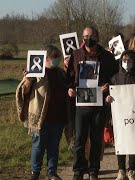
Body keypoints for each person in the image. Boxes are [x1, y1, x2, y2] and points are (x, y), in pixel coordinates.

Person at [67, 26, 118, 180]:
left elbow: (114, 77)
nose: (87, 38)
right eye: (84, 36)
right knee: (79, 139)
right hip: (81, 104)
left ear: (97, 37)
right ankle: (78, 170)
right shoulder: (76, 55)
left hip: (99, 104)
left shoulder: (107, 57)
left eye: (90, 35)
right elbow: (70, 76)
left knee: (96, 139)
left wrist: (108, 86)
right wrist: (70, 88)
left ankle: (94, 169)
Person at [16, 45, 67, 180]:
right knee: (38, 146)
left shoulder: (61, 73)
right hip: (40, 118)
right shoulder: (36, 72)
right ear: (45, 58)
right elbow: (24, 92)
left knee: (54, 147)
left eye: (58, 57)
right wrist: (27, 80)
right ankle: (35, 173)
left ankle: (52, 172)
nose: (56, 60)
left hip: (58, 116)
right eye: (53, 57)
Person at [106, 50, 135, 180]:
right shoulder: (115, 78)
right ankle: (121, 169)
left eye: (129, 60)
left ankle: (132, 170)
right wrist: (108, 99)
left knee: (133, 143)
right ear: (120, 61)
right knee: (121, 143)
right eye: (124, 60)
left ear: (134, 61)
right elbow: (110, 97)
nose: (127, 62)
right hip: (119, 118)